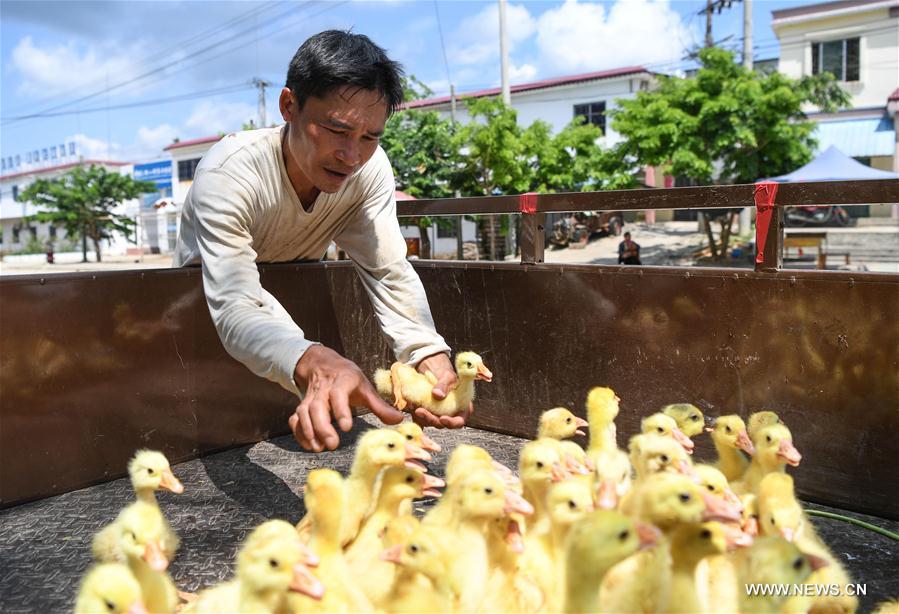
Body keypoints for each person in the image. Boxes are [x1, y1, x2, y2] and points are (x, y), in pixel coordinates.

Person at [174, 31, 465, 453]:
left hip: (287, 339)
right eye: (336, 129)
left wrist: (427, 355)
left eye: (370, 137)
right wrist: (311, 359)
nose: (352, 155)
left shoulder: (369, 171)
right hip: (206, 329)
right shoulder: (230, 173)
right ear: (289, 106)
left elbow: (386, 268)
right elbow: (235, 301)